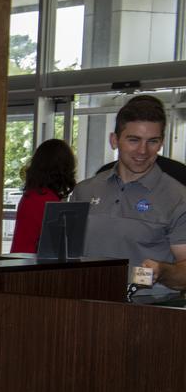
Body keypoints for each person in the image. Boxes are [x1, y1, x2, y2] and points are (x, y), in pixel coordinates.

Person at [72, 95, 186, 299]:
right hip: (85, 303)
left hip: (148, 311)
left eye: (152, 141)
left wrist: (162, 271)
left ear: (161, 143)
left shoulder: (178, 198)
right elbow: (65, 255)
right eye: (133, 140)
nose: (142, 151)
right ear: (114, 140)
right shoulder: (84, 191)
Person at [9, 139, 76, 253]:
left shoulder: (31, 195)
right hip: (33, 265)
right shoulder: (48, 201)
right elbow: (58, 246)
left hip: (20, 261)